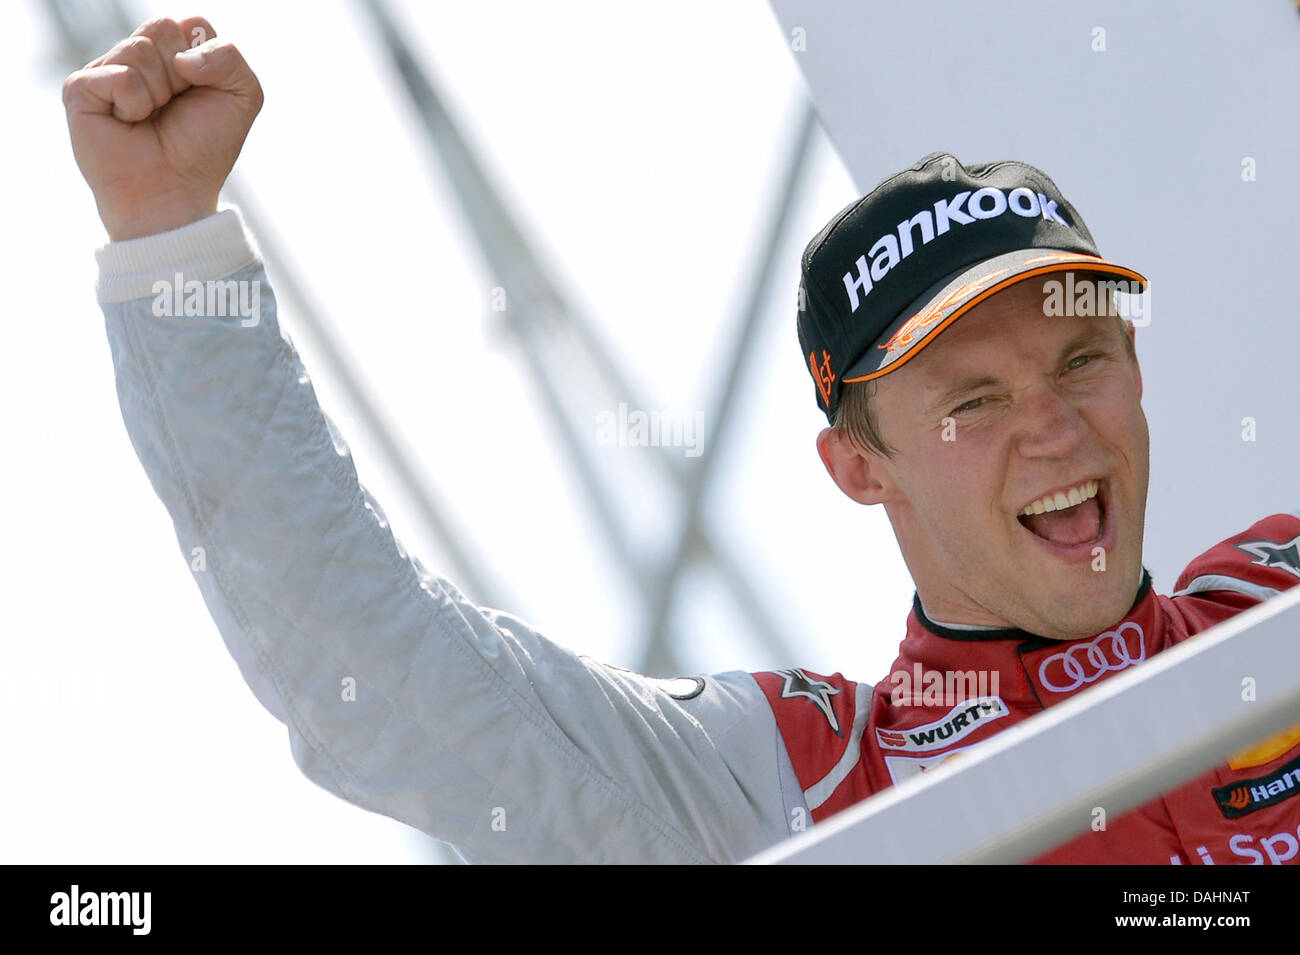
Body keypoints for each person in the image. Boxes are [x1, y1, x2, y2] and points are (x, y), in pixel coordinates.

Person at [64, 17, 1300, 865]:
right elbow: (382, 685)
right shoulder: (790, 779)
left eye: (1081, 358)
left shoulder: (1277, 590)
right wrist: (173, 244)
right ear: (857, 467)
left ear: (1135, 365)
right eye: (971, 401)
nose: (1050, 424)